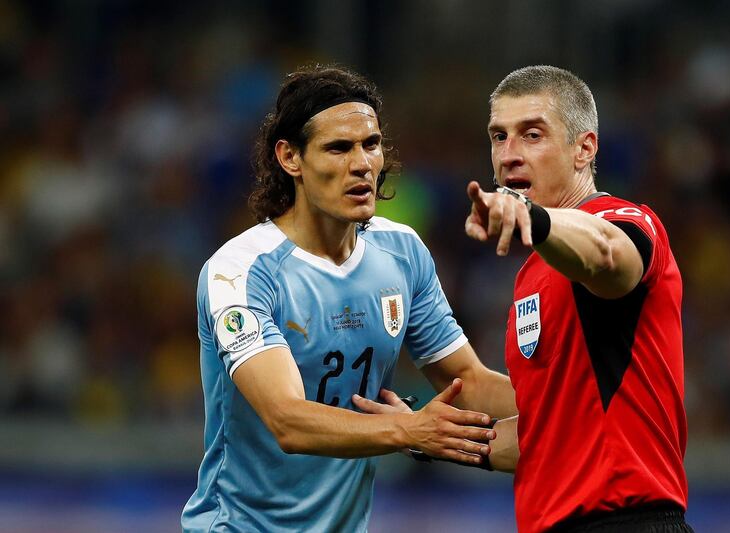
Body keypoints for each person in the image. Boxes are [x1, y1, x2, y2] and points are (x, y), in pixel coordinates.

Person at [180, 65, 517, 533]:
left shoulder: (402, 252)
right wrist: (408, 430)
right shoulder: (240, 272)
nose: (362, 164)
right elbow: (287, 421)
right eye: (338, 148)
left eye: (371, 144)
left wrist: (579, 405)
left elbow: (468, 382)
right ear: (290, 158)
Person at [461, 65, 693, 532]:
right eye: (499, 137)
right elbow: (545, 435)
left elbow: (607, 254)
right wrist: (422, 436)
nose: (509, 155)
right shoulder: (533, 272)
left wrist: (533, 216)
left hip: (628, 522)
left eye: (531, 135)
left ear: (584, 148)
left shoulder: (626, 219)